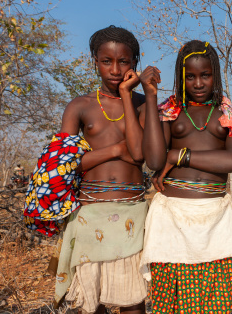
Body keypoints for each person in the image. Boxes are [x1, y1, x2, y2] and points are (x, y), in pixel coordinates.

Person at [53, 25, 166, 313]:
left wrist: (128, 94)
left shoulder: (143, 105)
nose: (115, 70)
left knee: (133, 303)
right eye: (106, 61)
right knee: (91, 303)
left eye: (124, 62)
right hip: (90, 214)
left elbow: (140, 154)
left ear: (135, 64)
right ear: (95, 62)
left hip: (132, 213)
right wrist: (115, 151)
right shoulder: (80, 106)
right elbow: (64, 164)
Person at [140, 40, 232, 314]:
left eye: (205, 75)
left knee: (215, 302)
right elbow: (154, 160)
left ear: (216, 75)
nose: (198, 83)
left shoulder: (228, 112)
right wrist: (150, 97)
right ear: (181, 77)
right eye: (190, 76)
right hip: (171, 219)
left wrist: (179, 155)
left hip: (215, 219)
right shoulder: (170, 111)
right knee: (170, 302)